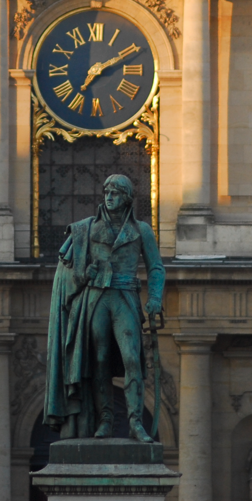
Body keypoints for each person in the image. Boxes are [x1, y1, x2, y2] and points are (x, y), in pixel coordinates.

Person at [43, 174, 165, 441]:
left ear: (127, 198)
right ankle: (105, 420)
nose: (109, 197)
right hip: (96, 299)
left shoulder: (142, 230)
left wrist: (155, 297)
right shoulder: (87, 228)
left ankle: (135, 422)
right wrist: (84, 273)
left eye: (116, 193)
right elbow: (72, 270)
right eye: (106, 192)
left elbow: (156, 267)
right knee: (98, 361)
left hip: (125, 297)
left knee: (132, 358)